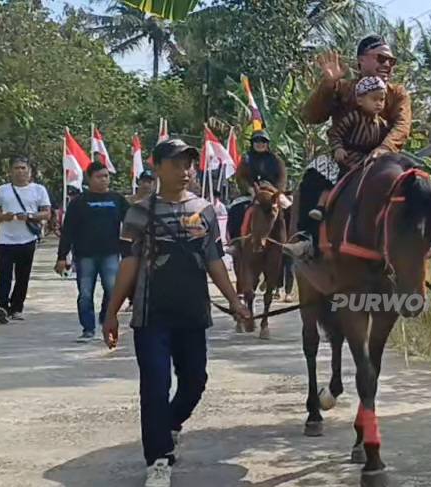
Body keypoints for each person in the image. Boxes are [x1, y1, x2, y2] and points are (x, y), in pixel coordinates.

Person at [102, 139, 251, 487]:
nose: (185, 171)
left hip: (193, 311)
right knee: (154, 385)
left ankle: (168, 425)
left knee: (195, 381)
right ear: (157, 167)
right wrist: (111, 312)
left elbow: (214, 260)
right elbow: (129, 263)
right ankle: (158, 459)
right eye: (176, 164)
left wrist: (234, 301)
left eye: (189, 164)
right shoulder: (138, 212)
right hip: (150, 313)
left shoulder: (205, 210)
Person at [289, 34, 414, 258]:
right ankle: (306, 239)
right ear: (361, 60)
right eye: (381, 58)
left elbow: (402, 126)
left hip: (384, 159)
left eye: (391, 61)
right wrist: (328, 85)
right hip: (344, 157)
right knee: (312, 177)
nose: (386, 64)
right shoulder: (343, 88)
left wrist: (383, 149)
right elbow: (311, 116)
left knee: (419, 182)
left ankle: (418, 240)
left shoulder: (398, 93)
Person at [56, 162, 130, 343]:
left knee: (112, 290)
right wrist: (61, 257)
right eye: (99, 176)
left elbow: (131, 224)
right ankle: (88, 328)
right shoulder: (79, 202)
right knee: (86, 294)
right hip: (85, 255)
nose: (104, 180)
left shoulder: (117, 199)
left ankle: (106, 318)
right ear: (89, 178)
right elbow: (68, 231)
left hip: (111, 253)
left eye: (106, 176)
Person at [309, 75, 390, 221]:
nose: (378, 103)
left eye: (381, 100)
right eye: (374, 99)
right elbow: (334, 134)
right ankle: (321, 206)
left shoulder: (382, 124)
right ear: (360, 100)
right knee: (333, 179)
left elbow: (385, 143)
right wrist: (338, 148)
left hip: (367, 160)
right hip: (346, 157)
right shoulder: (353, 117)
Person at [0, 157, 51, 324]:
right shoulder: (2, 190)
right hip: (5, 240)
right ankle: (2, 306)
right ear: (10, 171)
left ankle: (17, 308)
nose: (20, 171)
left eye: (23, 168)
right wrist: (4, 216)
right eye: (16, 168)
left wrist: (30, 216)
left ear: (30, 171)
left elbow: (46, 213)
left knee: (22, 276)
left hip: (27, 239)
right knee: (4, 275)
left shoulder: (38, 190)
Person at [225, 130, 287, 255]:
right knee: (235, 210)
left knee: (289, 210)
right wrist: (249, 189)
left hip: (273, 193)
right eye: (257, 141)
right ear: (252, 143)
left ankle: (290, 247)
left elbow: (282, 178)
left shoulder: (276, 160)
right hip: (251, 194)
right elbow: (240, 177)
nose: (260, 144)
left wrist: (274, 191)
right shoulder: (246, 159)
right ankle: (236, 243)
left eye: (263, 141)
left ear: (267, 143)